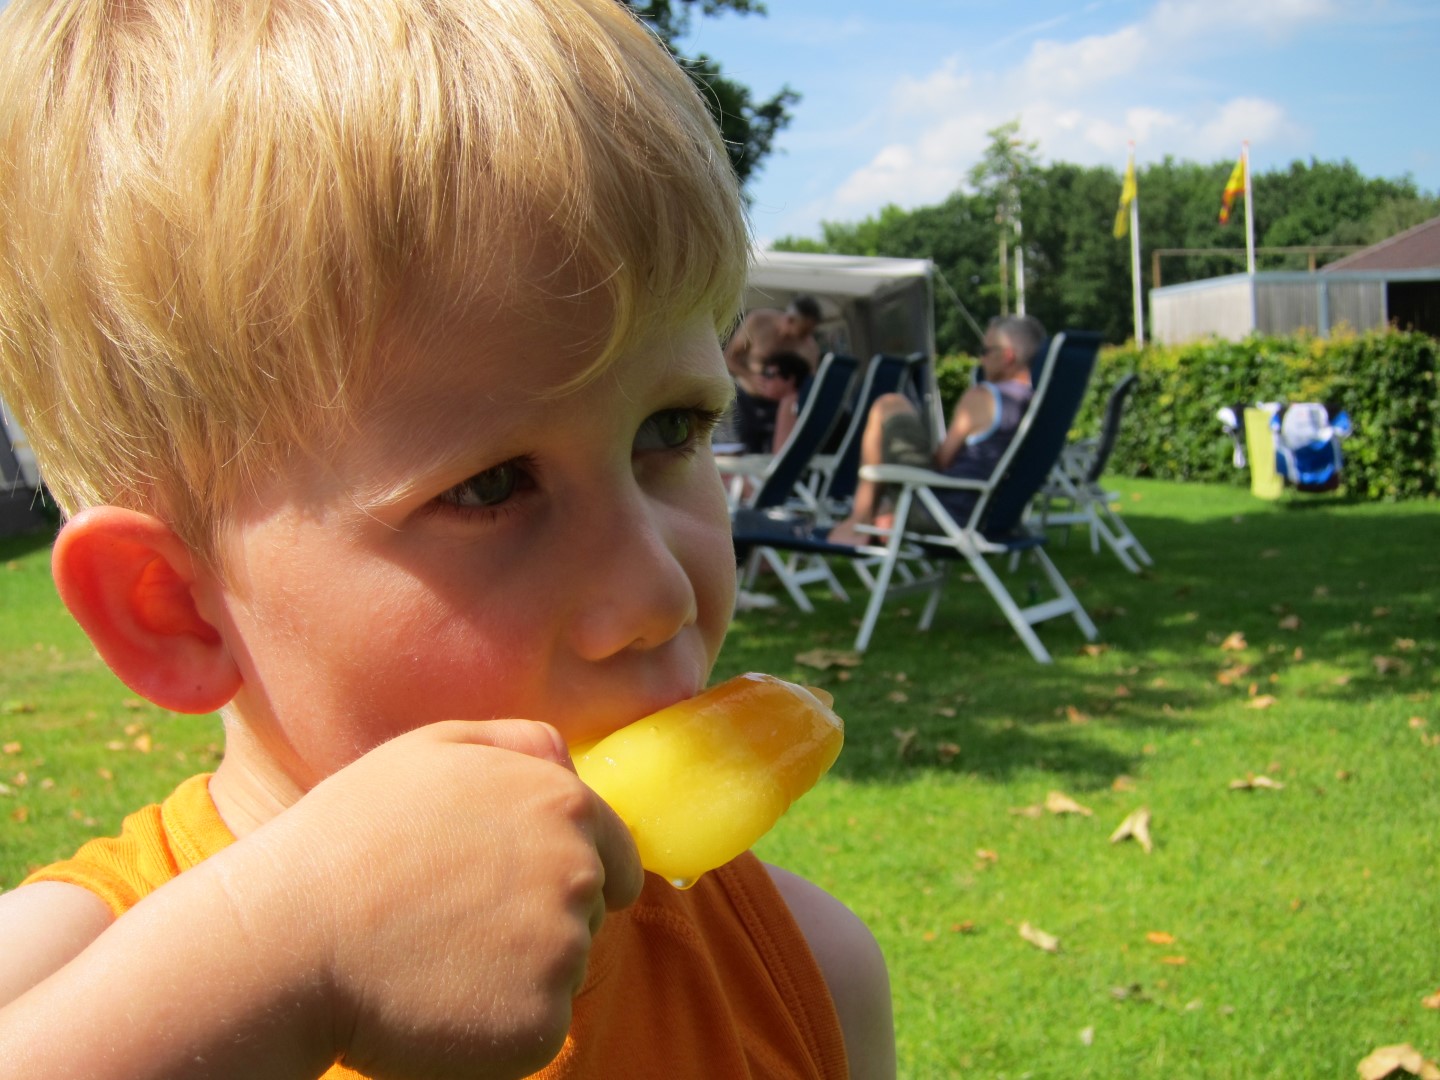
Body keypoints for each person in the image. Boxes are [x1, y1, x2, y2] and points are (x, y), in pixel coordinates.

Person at [0, 1, 895, 1077]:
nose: (658, 590)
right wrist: (286, 965)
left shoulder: (804, 972)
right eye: (493, 487)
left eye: (672, 430)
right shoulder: (61, 982)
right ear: (176, 608)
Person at [827, 315, 1046, 547]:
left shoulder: (983, 396)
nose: (980, 358)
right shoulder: (1038, 405)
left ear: (1007, 356)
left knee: (889, 404)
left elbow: (941, 461)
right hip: (994, 517)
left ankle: (859, 521)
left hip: (943, 516)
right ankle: (876, 514)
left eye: (985, 350)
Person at [723, 296, 823, 396]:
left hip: (780, 405)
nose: (806, 337)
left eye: (810, 332)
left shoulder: (810, 348)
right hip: (747, 396)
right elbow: (728, 358)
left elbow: (811, 384)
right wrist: (749, 376)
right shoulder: (759, 322)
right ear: (790, 320)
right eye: (804, 331)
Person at [732, 351, 812, 454]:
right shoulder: (802, 401)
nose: (763, 379)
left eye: (769, 374)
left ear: (790, 379)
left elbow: (781, 457)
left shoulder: (790, 403)